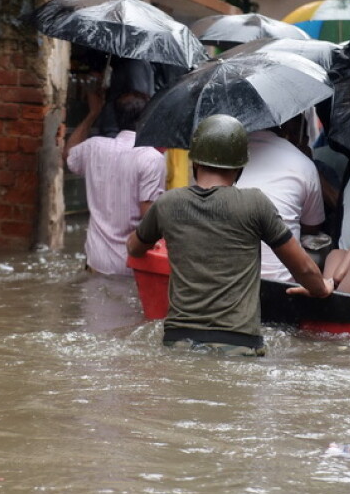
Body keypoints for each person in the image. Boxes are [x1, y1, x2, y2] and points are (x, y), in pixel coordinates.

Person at [127, 114, 333, 356]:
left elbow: (134, 248)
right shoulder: (254, 203)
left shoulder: (168, 204)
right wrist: (322, 288)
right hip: (239, 343)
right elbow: (304, 269)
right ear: (240, 168)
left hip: (178, 341)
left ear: (195, 163)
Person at [65, 88, 166, 275]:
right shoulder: (151, 158)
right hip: (130, 267)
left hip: (96, 262)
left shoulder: (94, 147)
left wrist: (92, 114)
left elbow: (69, 153)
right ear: (147, 120)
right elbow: (150, 219)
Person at [235, 115, 324, 282]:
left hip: (229, 283)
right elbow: (312, 226)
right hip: (280, 285)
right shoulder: (302, 163)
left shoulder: (229, 155)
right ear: (289, 131)